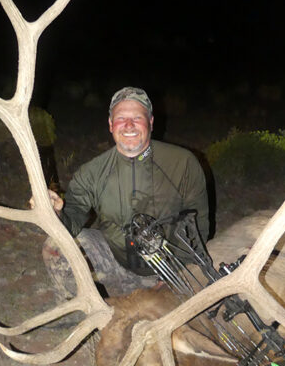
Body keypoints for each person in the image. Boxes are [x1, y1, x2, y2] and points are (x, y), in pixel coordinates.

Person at [43, 86, 209, 297]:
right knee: (56, 246)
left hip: (172, 272)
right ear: (111, 125)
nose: (129, 125)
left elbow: (199, 227)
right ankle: (84, 319)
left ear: (150, 122)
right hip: (117, 264)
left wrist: (180, 274)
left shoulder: (183, 163)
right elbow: (72, 220)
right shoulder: (92, 172)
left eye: (137, 118)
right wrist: (56, 213)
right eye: (121, 118)